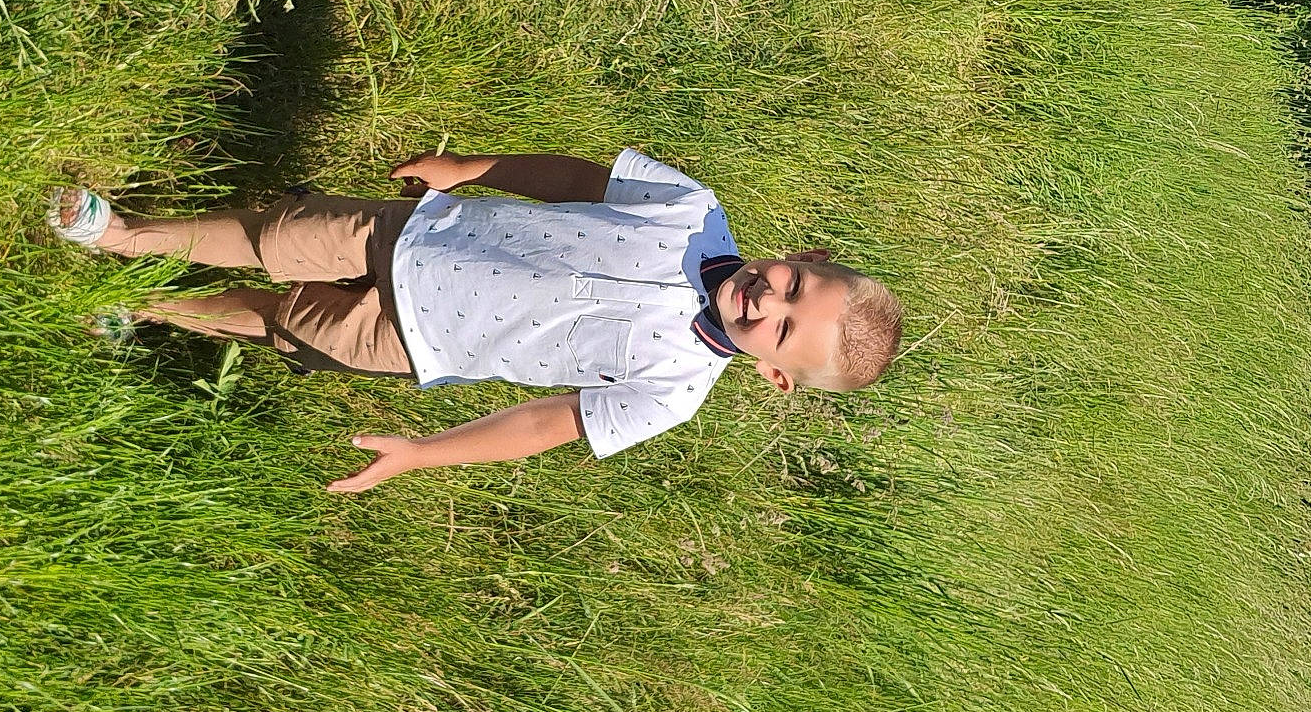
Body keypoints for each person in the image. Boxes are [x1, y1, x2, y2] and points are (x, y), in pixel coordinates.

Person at [48, 148, 903, 493]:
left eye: (784, 327)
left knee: (281, 320)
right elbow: (574, 179)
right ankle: (123, 236)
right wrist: (469, 166)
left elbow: (542, 424)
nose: (770, 299)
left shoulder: (673, 392)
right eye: (794, 282)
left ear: (774, 374)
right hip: (420, 230)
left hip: (416, 342)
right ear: (803, 252)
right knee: (276, 238)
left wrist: (422, 453)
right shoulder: (691, 210)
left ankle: (148, 308)